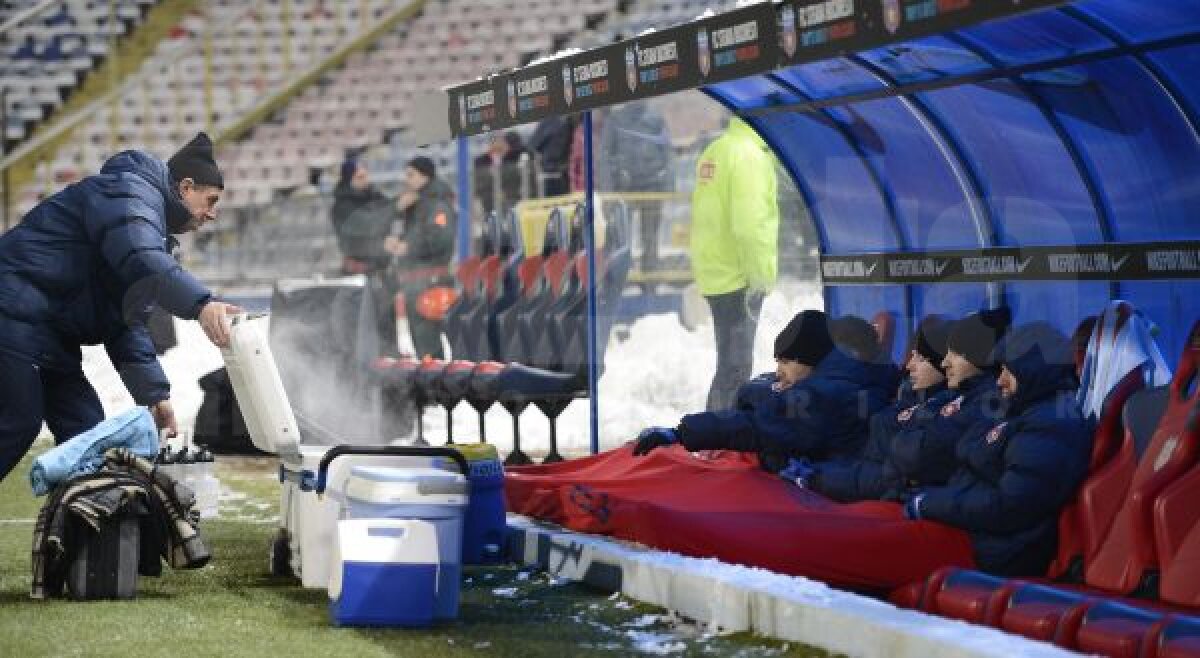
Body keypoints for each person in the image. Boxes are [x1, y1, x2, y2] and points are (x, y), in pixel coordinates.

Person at [0, 132, 240, 482]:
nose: (212, 214)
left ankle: (86, 533)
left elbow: (125, 323)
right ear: (186, 187)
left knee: (85, 434)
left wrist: (154, 394)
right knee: (17, 420)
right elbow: (141, 257)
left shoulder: (149, 227)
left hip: (48, 331)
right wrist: (202, 304)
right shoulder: (130, 191)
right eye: (211, 200)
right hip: (14, 311)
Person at [904, 322, 1093, 577]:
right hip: (967, 530)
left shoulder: (1053, 423)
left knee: (864, 549)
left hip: (994, 550)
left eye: (1009, 370)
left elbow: (1010, 506)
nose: (1000, 380)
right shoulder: (1017, 409)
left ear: (1034, 370)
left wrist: (927, 504)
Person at [632, 310, 893, 470]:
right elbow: (762, 392)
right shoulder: (839, 379)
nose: (779, 372)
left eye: (786, 362)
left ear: (812, 360)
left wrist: (681, 433)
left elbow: (759, 426)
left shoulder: (826, 396)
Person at [689, 116, 779, 411]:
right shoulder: (750, 156)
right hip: (740, 276)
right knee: (736, 370)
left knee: (728, 366)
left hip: (716, 270)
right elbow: (749, 227)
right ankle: (718, 443)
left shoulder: (716, 150)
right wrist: (760, 278)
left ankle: (711, 439)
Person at [389, 156, 457, 360]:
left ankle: (439, 386)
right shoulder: (414, 203)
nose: (406, 179)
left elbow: (440, 239)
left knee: (429, 340)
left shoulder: (437, 204)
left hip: (431, 281)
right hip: (415, 282)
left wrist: (407, 247)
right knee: (421, 342)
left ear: (424, 175)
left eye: (411, 174)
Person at [598, 100, 675, 273]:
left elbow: (668, 153)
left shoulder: (656, 120)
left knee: (650, 238)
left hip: (651, 188)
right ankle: (623, 278)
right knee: (623, 237)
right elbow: (603, 156)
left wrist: (668, 188)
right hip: (624, 189)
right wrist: (608, 192)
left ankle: (650, 282)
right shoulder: (615, 120)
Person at [330, 158, 395, 274]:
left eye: (366, 176)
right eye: (360, 177)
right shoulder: (342, 206)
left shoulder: (374, 196)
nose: (365, 180)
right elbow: (368, 226)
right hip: (358, 268)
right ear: (348, 180)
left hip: (381, 265)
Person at [474, 132, 534, 217]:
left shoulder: (513, 157)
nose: (499, 145)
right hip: (491, 200)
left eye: (502, 141)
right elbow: (480, 182)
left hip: (511, 198)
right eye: (496, 141)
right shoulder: (481, 161)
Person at [528, 116, 574, 197]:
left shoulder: (555, 121)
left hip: (556, 172)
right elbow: (533, 144)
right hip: (555, 173)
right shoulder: (557, 121)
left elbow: (533, 144)